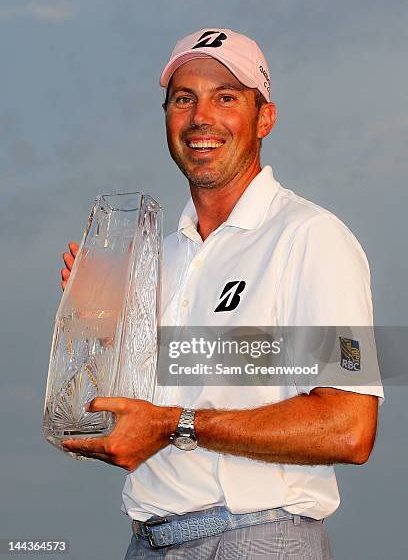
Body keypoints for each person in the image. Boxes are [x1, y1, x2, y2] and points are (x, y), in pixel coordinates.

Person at [60, 28, 384, 559]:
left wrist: (173, 426)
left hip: (259, 538)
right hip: (147, 540)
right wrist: (99, 333)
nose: (200, 117)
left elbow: (349, 427)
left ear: (265, 119)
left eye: (226, 97)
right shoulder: (151, 259)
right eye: (183, 99)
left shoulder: (311, 237)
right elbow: (124, 420)